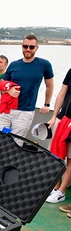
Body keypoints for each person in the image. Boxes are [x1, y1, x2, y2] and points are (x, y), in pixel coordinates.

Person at [0, 34, 54, 138]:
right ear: (22, 46)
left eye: (31, 47)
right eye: (25, 46)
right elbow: (1, 84)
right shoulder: (14, 65)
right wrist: (9, 90)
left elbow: (49, 85)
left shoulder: (44, 65)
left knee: (17, 143)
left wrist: (47, 104)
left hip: (25, 111)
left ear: (37, 48)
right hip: (6, 109)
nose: (28, 49)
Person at [46, 68, 71, 204]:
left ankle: (61, 191)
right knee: (56, 155)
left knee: (70, 159)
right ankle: (55, 187)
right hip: (63, 119)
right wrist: (54, 116)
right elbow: (62, 93)